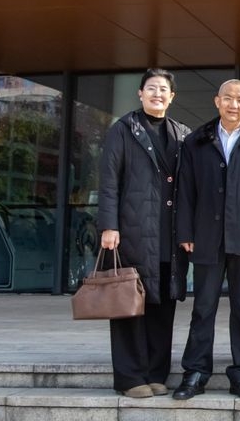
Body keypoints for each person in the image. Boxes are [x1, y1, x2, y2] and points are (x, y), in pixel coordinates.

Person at [173, 79, 240, 400]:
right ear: (217, 101)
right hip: (207, 235)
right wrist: (186, 232)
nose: (233, 104)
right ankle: (195, 372)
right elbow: (185, 189)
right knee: (203, 308)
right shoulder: (196, 140)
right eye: (227, 98)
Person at [96, 69, 191, 398]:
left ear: (172, 97)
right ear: (140, 93)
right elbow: (109, 181)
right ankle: (130, 377)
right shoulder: (123, 129)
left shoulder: (181, 133)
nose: (157, 94)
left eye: (164, 89)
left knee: (163, 306)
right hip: (132, 232)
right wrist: (109, 226)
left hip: (169, 236)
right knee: (129, 305)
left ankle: (156, 373)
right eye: (151, 88)